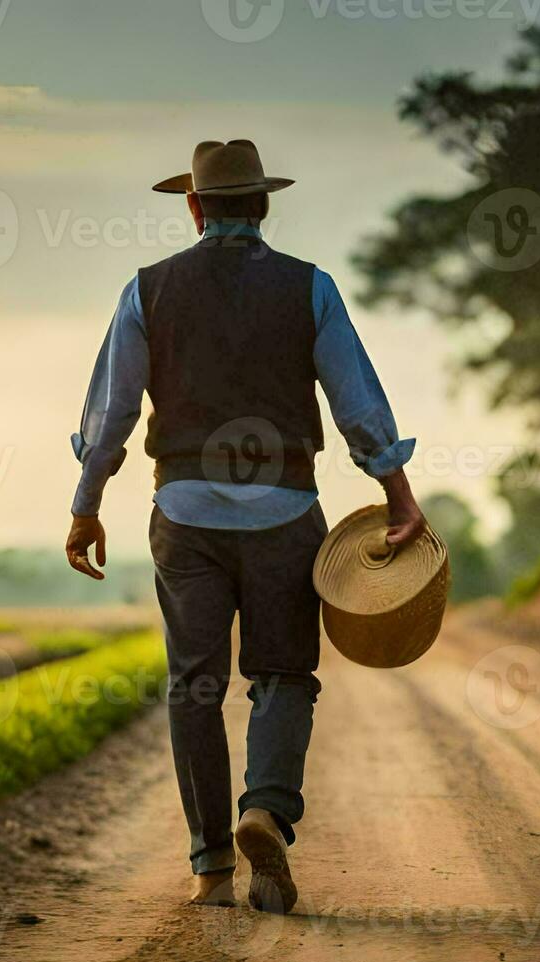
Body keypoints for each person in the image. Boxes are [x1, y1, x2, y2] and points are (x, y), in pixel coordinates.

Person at [63, 140, 425, 914]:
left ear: (194, 207)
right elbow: (356, 401)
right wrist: (397, 490)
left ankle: (210, 868)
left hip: (185, 513)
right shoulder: (309, 288)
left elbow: (113, 411)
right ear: (262, 205)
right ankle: (265, 809)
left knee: (194, 684)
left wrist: (86, 501)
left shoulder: (147, 291)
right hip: (286, 511)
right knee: (284, 674)